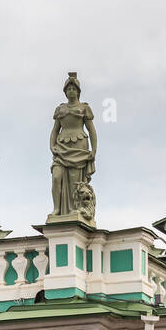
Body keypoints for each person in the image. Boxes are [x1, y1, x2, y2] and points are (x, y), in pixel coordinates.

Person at [48, 73, 97, 222]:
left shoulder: (84, 108)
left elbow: (92, 130)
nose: (70, 91)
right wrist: (52, 146)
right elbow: (55, 130)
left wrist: (94, 150)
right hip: (61, 148)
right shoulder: (60, 109)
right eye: (68, 89)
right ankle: (57, 209)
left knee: (74, 182)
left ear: (78, 91)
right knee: (56, 177)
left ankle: (74, 210)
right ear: (65, 91)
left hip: (79, 148)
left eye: (73, 89)